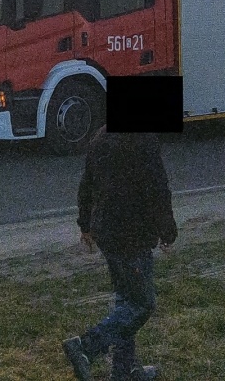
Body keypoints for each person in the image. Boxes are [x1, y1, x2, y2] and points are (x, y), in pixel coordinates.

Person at [63, 129, 177, 381]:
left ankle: (125, 372)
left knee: (126, 301)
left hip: (107, 232)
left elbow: (87, 184)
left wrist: (86, 225)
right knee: (141, 304)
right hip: (131, 235)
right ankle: (86, 346)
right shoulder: (144, 141)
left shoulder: (101, 137)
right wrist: (167, 231)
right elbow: (157, 190)